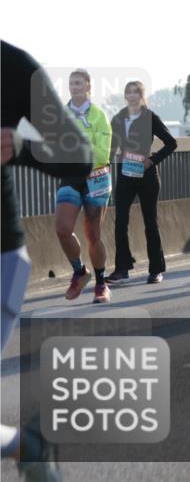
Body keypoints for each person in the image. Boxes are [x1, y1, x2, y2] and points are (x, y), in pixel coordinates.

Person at [3, 40, 92, 480]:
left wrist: (20, 145)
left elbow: (78, 153)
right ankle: (26, 445)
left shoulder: (12, 67)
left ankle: (27, 445)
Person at [106, 81, 177, 285]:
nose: (131, 96)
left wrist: (152, 160)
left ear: (142, 96)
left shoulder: (150, 117)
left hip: (147, 175)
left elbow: (172, 143)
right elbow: (111, 147)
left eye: (135, 93)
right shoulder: (119, 118)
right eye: (128, 92)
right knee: (120, 222)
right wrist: (102, 166)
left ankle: (156, 270)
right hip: (126, 174)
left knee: (150, 224)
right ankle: (122, 269)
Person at [55, 69, 114, 303]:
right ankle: (80, 272)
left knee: (93, 234)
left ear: (89, 86)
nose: (74, 87)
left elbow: (102, 154)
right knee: (62, 228)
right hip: (70, 176)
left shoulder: (100, 116)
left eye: (79, 83)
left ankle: (101, 284)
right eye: (71, 83)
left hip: (96, 177)